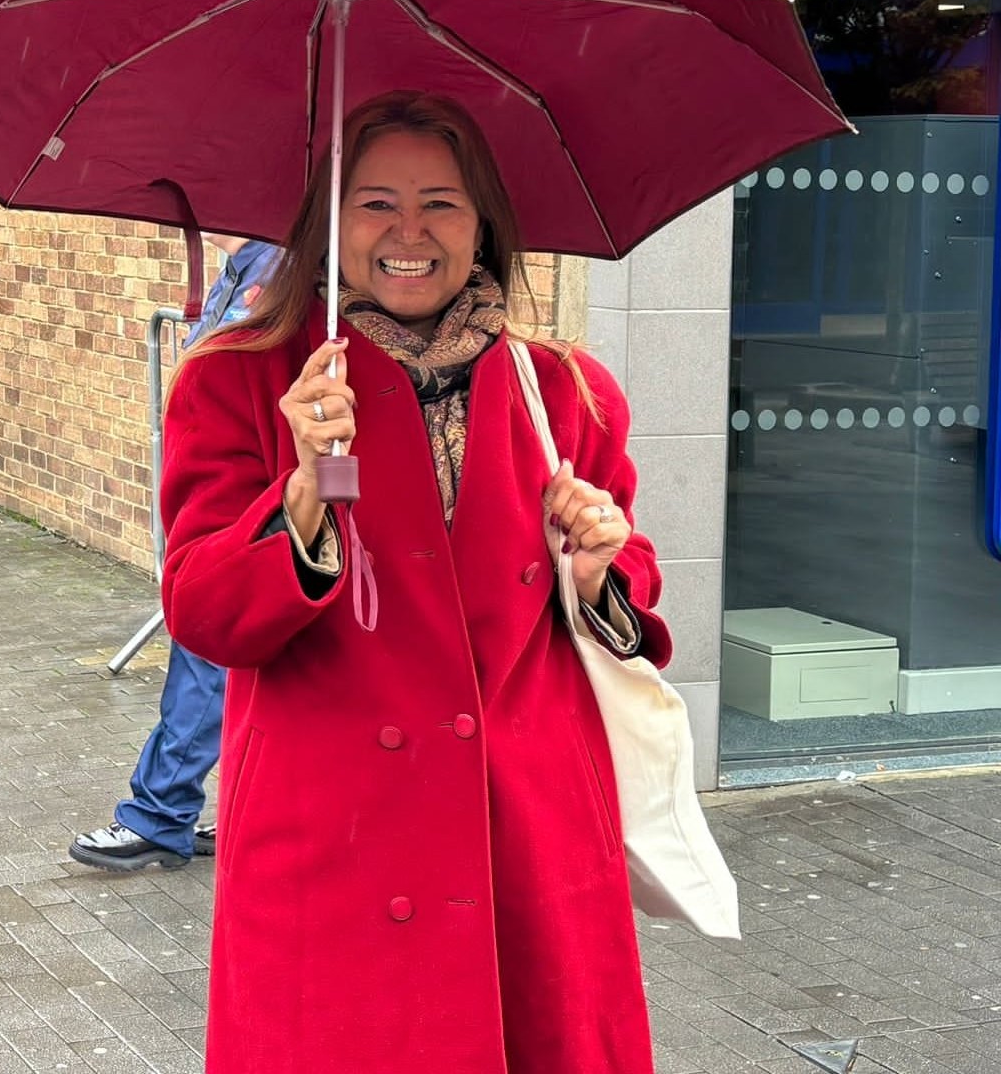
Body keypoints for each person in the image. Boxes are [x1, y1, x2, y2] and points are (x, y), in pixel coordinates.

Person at [158, 92, 666, 1072]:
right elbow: (204, 610)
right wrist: (301, 490)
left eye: (439, 202)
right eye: (373, 203)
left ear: (483, 224)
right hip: (335, 846)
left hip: (523, 834)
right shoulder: (243, 378)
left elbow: (626, 585)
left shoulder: (563, 390)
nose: (407, 233)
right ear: (328, 221)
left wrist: (602, 570)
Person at [69, 233, 279, 873]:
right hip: (225, 502)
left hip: (256, 507)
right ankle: (215, 807)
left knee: (206, 659)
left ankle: (162, 814)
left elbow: (238, 370)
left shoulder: (286, 262)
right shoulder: (256, 254)